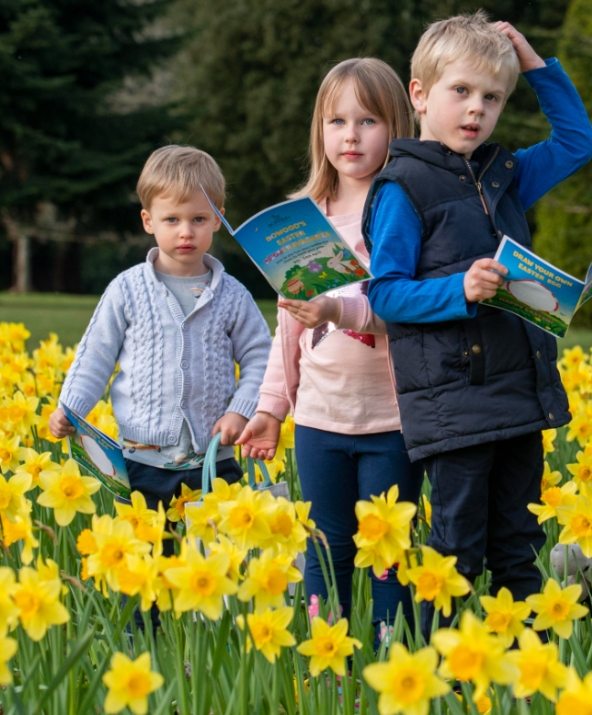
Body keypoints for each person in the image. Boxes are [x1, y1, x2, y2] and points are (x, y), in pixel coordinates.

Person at [363, 11, 592, 624]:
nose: (476, 110)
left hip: (520, 398)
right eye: (461, 91)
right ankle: (441, 682)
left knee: (519, 553)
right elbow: (385, 295)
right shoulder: (401, 187)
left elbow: (578, 142)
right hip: (456, 406)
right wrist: (459, 288)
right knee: (456, 559)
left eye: (492, 98)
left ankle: (525, 682)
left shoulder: (505, 177)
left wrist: (532, 60)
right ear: (419, 94)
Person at [235, 58, 421, 638]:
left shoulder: (404, 215)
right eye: (336, 121)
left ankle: (396, 663)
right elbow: (287, 330)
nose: (350, 135)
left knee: (389, 553)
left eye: (368, 121)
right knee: (324, 548)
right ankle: (328, 662)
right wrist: (269, 411)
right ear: (320, 130)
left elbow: (413, 314)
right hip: (319, 421)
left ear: (397, 127)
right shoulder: (303, 221)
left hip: (393, 420)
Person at [50, 145, 272, 515]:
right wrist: (70, 409)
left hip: (213, 463)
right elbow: (96, 356)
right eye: (172, 220)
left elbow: (261, 358)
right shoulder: (127, 289)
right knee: (150, 563)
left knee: (215, 564)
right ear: (148, 220)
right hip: (142, 464)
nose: (186, 232)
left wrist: (241, 411)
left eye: (199, 219)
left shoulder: (233, 295)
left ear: (218, 219)